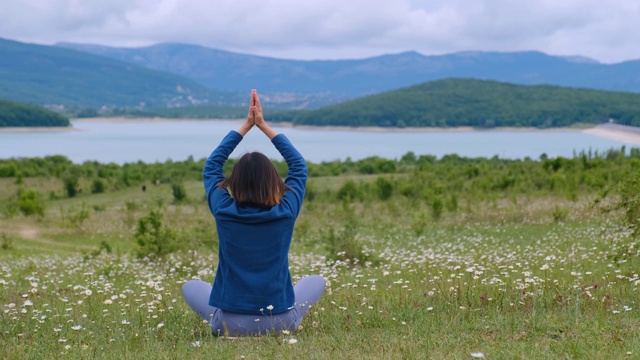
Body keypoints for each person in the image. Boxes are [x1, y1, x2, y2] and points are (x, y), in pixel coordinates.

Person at [181, 89, 326, 337]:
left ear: (234, 183)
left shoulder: (224, 211)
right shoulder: (286, 211)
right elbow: (298, 166)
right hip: (281, 322)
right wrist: (264, 126)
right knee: (317, 281)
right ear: (273, 182)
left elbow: (212, 166)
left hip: (229, 325)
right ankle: (284, 318)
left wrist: (246, 126)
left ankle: (225, 319)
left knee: (191, 286)